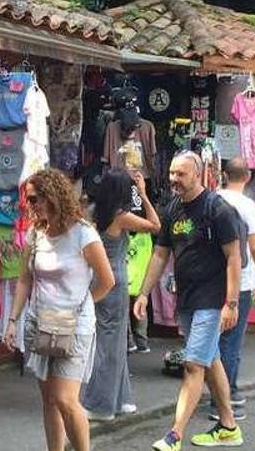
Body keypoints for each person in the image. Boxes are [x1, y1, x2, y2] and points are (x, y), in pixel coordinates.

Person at [133, 152, 245, 450]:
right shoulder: (171, 209)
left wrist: (231, 303)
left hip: (213, 299)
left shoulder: (217, 209)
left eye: (180, 174)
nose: (173, 179)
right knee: (211, 361)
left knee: (194, 365)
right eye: (171, 173)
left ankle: (175, 435)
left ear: (197, 174)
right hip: (188, 299)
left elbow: (234, 257)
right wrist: (144, 292)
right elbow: (160, 254)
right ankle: (229, 426)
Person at [3, 169, 116, 451]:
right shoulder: (35, 233)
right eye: (28, 200)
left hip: (74, 326)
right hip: (40, 322)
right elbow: (24, 279)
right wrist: (12, 320)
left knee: (65, 398)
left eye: (34, 199)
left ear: (53, 196)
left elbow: (107, 280)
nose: (30, 205)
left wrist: (83, 306)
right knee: (49, 398)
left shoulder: (83, 233)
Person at [82, 169, 162, 421]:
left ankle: (121, 398)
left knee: (105, 340)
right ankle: (104, 403)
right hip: (116, 282)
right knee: (112, 343)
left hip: (95, 278)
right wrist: (144, 195)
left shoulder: (91, 213)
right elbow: (156, 225)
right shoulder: (121, 216)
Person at [213, 159, 255, 420]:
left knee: (217, 339)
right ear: (249, 176)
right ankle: (223, 400)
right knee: (231, 342)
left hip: (213, 277)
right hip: (240, 279)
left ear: (223, 174)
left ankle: (227, 391)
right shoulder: (247, 206)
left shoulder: (212, 199)